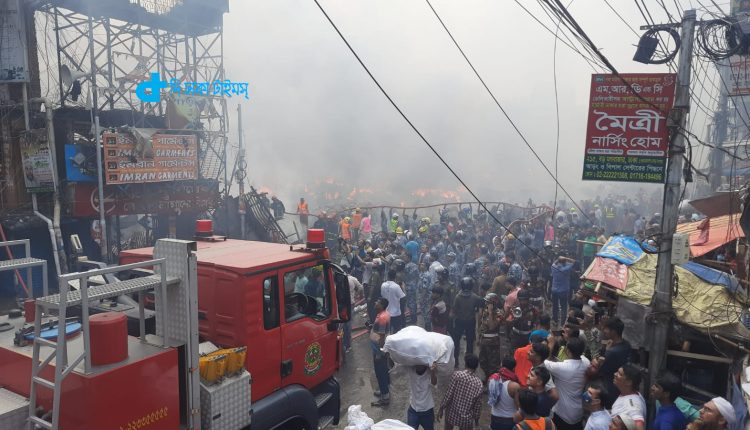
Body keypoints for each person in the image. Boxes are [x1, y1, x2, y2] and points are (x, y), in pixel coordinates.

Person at [545, 337, 590, 430]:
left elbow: (544, 361)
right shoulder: (586, 362)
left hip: (563, 413)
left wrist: (551, 344)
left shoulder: (562, 368)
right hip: (578, 412)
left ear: (568, 351)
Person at [439, 354, 484, 430]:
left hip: (451, 414)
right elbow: (477, 405)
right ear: (476, 367)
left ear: (465, 364)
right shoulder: (479, 384)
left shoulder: (457, 375)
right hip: (465, 419)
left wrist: (441, 408)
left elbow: (449, 395)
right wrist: (476, 420)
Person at [590, 317, 630, 396]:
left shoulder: (612, 352)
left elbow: (599, 371)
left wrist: (596, 361)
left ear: (614, 331)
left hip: (609, 387)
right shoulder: (626, 344)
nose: (604, 331)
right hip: (620, 386)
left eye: (606, 329)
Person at [452, 277, 483, 366]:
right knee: (470, 343)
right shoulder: (475, 297)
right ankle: (468, 363)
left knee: (456, 342)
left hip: (459, 321)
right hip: (470, 322)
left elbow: (455, 310)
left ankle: (456, 361)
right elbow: (478, 309)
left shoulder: (458, 297)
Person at [488, 357, 522, 430]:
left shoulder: (492, 379)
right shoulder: (514, 386)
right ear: (513, 369)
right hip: (509, 419)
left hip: (494, 416)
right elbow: (518, 406)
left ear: (501, 365)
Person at [611, 364, 647, 430]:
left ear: (628, 382)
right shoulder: (628, 394)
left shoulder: (633, 405)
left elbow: (639, 427)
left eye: (620, 374)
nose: (615, 374)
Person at [370, 297, 391, 406]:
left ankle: (385, 397)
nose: (375, 302)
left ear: (382, 305)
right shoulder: (383, 314)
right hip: (378, 348)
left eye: (377, 301)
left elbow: (382, 336)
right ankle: (384, 391)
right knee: (384, 371)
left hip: (379, 349)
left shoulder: (382, 317)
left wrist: (379, 352)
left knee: (380, 372)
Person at [478, 292, 503, 381]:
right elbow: (482, 325)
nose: (486, 304)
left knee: (493, 364)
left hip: (493, 342)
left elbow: (492, 326)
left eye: (488, 302)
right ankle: (487, 377)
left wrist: (490, 312)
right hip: (484, 339)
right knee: (483, 361)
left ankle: (492, 382)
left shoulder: (498, 313)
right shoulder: (485, 311)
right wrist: (479, 338)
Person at [408, 362, 439, 430]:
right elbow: (397, 365)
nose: (419, 366)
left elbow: (434, 383)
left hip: (427, 410)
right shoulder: (411, 369)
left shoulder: (429, 372)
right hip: (413, 409)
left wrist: (433, 371)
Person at [550, 256, 576, 328]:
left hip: (554, 290)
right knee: (564, 307)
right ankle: (562, 324)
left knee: (555, 306)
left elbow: (554, 263)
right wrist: (566, 258)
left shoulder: (553, 267)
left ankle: (555, 321)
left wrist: (558, 259)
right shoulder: (566, 268)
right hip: (563, 291)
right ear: (564, 262)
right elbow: (573, 261)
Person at [344, 274, 363, 353]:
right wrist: (356, 295)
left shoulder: (338, 279)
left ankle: (345, 344)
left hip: (341, 304)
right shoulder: (352, 279)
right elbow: (361, 287)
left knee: (343, 324)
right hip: (350, 303)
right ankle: (348, 345)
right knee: (348, 323)